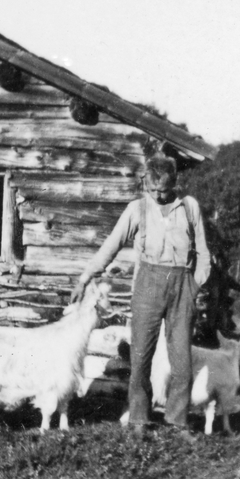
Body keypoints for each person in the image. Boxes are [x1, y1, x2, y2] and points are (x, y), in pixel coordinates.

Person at [73, 154, 210, 437]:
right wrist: (86, 276)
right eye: (152, 189)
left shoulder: (189, 207)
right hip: (148, 284)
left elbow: (204, 252)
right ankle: (138, 419)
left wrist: (195, 285)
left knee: (182, 360)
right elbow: (111, 244)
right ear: (145, 184)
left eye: (164, 189)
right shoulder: (137, 209)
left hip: (182, 284)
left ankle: (177, 422)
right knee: (141, 356)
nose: (158, 195)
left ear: (175, 183)